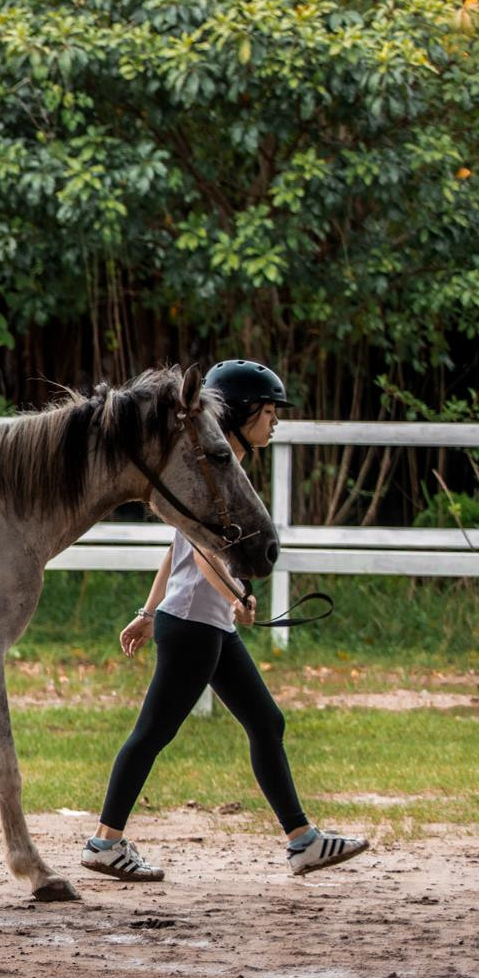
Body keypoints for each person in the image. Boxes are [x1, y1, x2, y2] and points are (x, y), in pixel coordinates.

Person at [81, 359, 368, 882]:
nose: (275, 421)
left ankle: (302, 840)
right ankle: (104, 842)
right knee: (151, 733)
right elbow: (202, 548)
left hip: (201, 622)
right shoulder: (209, 472)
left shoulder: (221, 469)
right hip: (194, 624)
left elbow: (175, 548)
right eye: (268, 411)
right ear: (239, 413)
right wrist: (236, 593)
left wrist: (149, 612)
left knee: (265, 722)